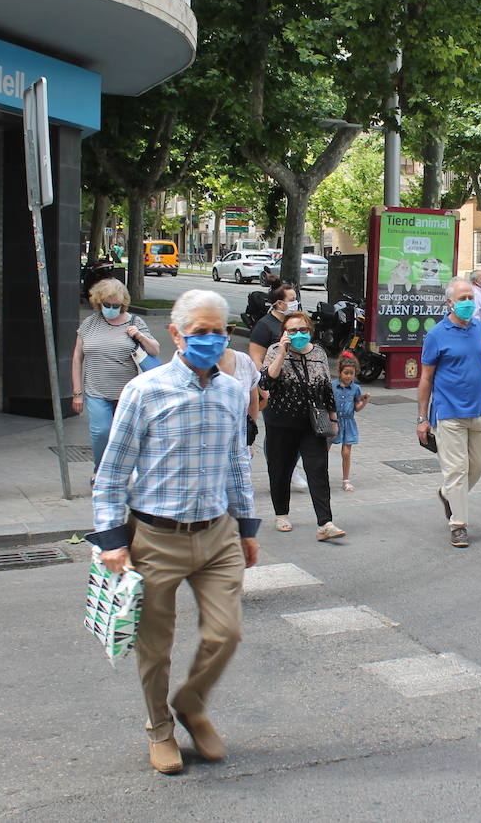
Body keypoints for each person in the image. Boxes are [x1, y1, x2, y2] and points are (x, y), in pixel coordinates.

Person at [89, 290, 259, 776]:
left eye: (218, 331)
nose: (210, 340)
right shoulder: (146, 391)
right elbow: (113, 471)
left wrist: (247, 527)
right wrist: (112, 539)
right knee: (155, 648)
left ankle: (190, 703)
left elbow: (237, 464)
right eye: (199, 331)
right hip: (156, 537)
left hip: (217, 534)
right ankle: (159, 729)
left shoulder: (231, 390)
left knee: (226, 633)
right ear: (176, 334)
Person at [416, 278, 481, 548]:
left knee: (478, 466)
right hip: (448, 413)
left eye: (472, 297)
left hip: (479, 410)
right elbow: (425, 379)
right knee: (457, 469)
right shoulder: (436, 335)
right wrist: (422, 419)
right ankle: (459, 525)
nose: (469, 302)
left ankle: (448, 495)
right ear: (450, 302)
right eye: (464, 298)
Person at [261, 311, 345, 540]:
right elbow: (266, 381)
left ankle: (325, 523)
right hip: (280, 422)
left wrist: (334, 419)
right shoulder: (274, 351)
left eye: (303, 330)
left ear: (310, 331)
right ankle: (281, 514)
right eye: (293, 331)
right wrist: (281, 353)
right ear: (284, 334)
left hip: (313, 423)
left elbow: (327, 389)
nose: (299, 334)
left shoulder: (318, 353)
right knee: (281, 470)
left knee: (318, 470)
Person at [70, 278, 160, 474]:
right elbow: (77, 357)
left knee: (125, 436)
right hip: (96, 391)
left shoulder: (135, 322)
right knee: (101, 432)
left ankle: (122, 471)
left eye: (116, 306)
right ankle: (101, 471)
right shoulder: (90, 323)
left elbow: (155, 351)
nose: (111, 308)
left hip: (127, 393)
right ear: (98, 302)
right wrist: (77, 393)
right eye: (107, 305)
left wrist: (139, 336)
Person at [247, 281, 307, 492]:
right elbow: (256, 360)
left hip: (297, 390)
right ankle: (279, 472)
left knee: (299, 432)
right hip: (273, 389)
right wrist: (264, 389)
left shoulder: (292, 323)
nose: (295, 302)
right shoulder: (265, 326)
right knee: (276, 435)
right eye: (292, 299)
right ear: (279, 303)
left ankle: (290, 469)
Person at [330, 353, 369, 492]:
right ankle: (320, 476)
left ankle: (346, 480)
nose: (348, 376)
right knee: (324, 450)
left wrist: (364, 402)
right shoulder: (332, 386)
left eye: (351, 373)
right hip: (333, 422)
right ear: (339, 372)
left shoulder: (356, 388)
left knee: (346, 453)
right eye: (346, 373)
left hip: (348, 423)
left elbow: (356, 408)